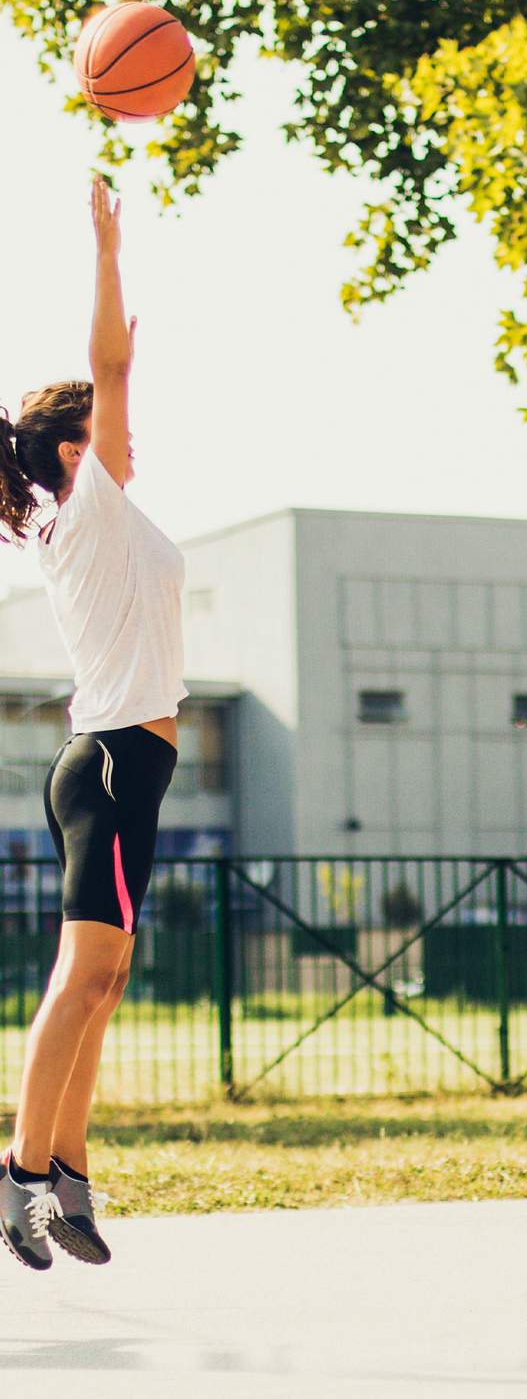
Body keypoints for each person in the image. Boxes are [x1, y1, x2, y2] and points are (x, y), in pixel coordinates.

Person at [0, 178, 185, 1271]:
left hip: (127, 765)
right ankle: (20, 1171)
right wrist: (106, 246)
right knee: (82, 978)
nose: (125, 431)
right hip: (112, 764)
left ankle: (65, 1172)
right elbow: (108, 368)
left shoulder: (81, 520)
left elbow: (104, 384)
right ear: (74, 446)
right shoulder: (93, 502)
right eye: (106, 425)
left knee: (106, 978)